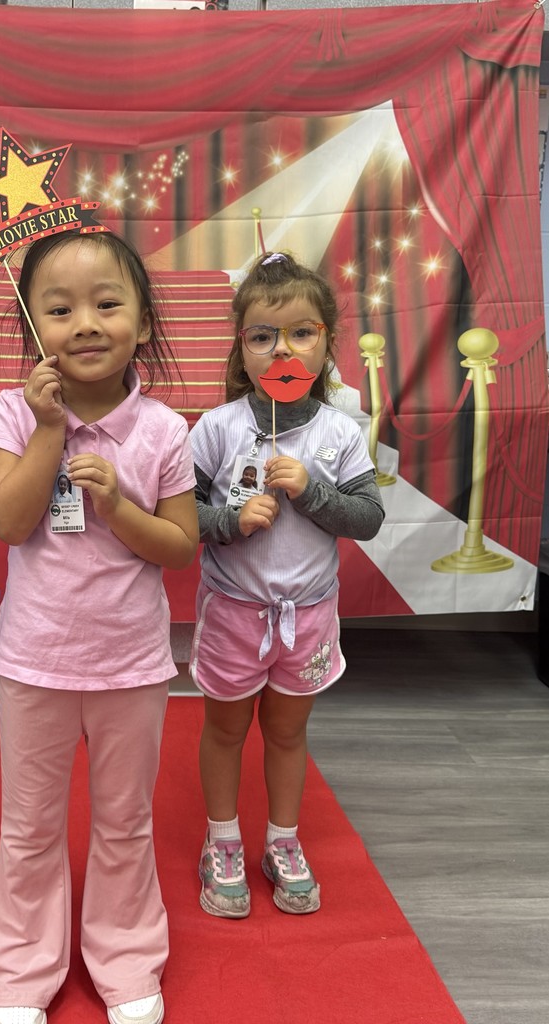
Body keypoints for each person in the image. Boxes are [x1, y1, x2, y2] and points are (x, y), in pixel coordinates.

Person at [0, 231, 198, 1024]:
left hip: (132, 666)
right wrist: (48, 429)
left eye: (108, 304)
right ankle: (23, 975)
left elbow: (178, 548)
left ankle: (127, 960)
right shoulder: (12, 410)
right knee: (29, 829)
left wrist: (116, 506)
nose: (86, 323)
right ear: (33, 328)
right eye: (60, 309)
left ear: (142, 322)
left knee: (124, 826)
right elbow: (9, 521)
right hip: (34, 662)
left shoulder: (166, 431)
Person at [189, 251, 384, 920]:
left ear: (327, 341)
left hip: (307, 617)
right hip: (233, 614)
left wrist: (313, 491)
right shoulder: (217, 429)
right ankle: (221, 840)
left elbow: (368, 519)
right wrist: (229, 520)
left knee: (286, 733)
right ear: (240, 347)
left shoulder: (339, 433)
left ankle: (282, 840)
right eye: (262, 336)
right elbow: (177, 517)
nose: (281, 350)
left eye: (300, 333)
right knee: (223, 729)